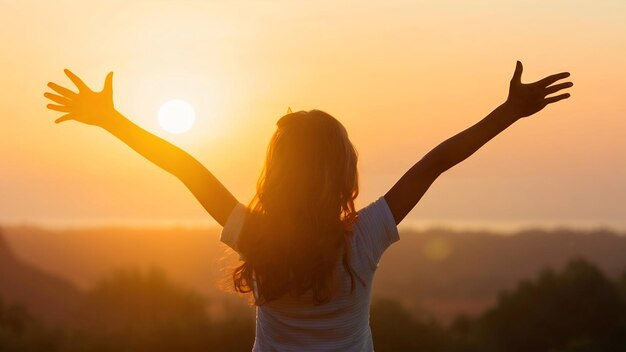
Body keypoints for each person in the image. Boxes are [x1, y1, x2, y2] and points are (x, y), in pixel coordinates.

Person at [44, 61, 572, 351]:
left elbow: (184, 167)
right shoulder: (366, 235)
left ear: (275, 173)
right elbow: (434, 164)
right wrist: (508, 112)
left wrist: (112, 121)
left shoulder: (255, 237)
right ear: (345, 172)